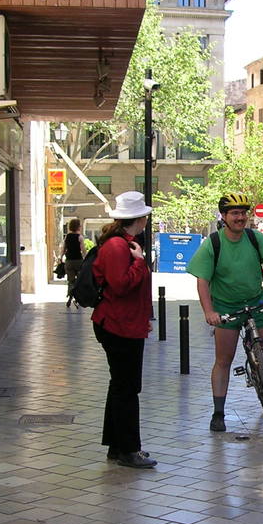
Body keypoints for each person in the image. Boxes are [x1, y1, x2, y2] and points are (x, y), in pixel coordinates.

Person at [187, 192, 263, 433]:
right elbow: (202, 281)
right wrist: (209, 312)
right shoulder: (213, 243)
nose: (240, 217)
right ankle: (218, 412)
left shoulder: (255, 238)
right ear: (224, 216)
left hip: (257, 302)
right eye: (234, 213)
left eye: (243, 213)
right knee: (223, 361)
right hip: (227, 308)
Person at [91, 192, 157, 469]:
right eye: (144, 216)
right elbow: (120, 285)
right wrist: (140, 262)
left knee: (121, 386)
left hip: (126, 324)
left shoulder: (124, 244)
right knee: (127, 388)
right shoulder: (119, 247)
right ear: (139, 219)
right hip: (118, 326)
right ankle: (129, 449)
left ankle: (117, 446)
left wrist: (147, 318)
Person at [61, 218, 85, 308]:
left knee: (71, 281)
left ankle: (70, 297)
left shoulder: (67, 237)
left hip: (69, 261)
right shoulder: (80, 237)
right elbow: (83, 250)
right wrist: (86, 258)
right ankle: (78, 298)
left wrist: (61, 257)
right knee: (79, 281)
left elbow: (64, 248)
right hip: (78, 261)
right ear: (78, 227)